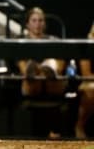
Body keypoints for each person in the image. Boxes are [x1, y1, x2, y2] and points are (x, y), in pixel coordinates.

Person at [17, 7, 67, 138]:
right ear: (27, 24)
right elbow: (22, 67)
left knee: (52, 66)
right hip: (31, 84)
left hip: (52, 84)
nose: (38, 24)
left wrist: (48, 70)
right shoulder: (20, 42)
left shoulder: (54, 41)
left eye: (41, 20)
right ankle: (41, 72)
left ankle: (46, 71)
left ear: (44, 24)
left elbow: (61, 65)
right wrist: (38, 70)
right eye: (34, 20)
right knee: (31, 74)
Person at [74, 22, 94, 139]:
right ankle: (80, 126)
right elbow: (86, 74)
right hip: (89, 81)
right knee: (92, 89)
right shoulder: (87, 47)